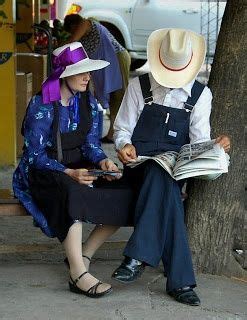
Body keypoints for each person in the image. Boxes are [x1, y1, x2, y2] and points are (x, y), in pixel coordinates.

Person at [112, 29, 231, 306]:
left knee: (162, 174)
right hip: (138, 168)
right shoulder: (139, 87)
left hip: (173, 171)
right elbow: (122, 129)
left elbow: (199, 142)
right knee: (161, 181)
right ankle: (180, 282)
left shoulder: (201, 95)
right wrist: (123, 145)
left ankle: (138, 257)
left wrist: (217, 146)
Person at [13, 42, 134, 298]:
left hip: (77, 167)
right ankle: (78, 275)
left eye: (88, 71)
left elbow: (91, 145)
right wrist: (68, 173)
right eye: (81, 72)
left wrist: (103, 162)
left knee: (125, 189)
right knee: (71, 192)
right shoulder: (42, 105)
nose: (87, 76)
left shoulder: (88, 103)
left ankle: (84, 255)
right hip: (43, 171)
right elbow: (33, 156)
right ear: (64, 74)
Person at [63, 14, 131, 143]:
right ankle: (112, 133)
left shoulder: (86, 23)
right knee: (112, 97)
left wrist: (58, 50)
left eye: (71, 30)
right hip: (110, 60)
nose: (72, 33)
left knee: (119, 96)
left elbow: (71, 42)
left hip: (117, 58)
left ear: (73, 25)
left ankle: (120, 133)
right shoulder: (86, 33)